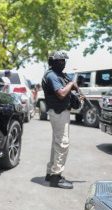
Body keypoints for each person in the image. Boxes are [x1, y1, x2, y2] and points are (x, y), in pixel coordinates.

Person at [41, 51, 79, 189]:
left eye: (64, 61)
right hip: (58, 113)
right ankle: (56, 178)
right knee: (62, 143)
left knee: (56, 143)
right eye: (61, 61)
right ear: (54, 62)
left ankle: (50, 173)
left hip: (62, 112)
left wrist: (74, 86)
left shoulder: (59, 75)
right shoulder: (51, 75)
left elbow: (70, 84)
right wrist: (71, 85)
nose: (64, 63)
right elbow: (61, 93)